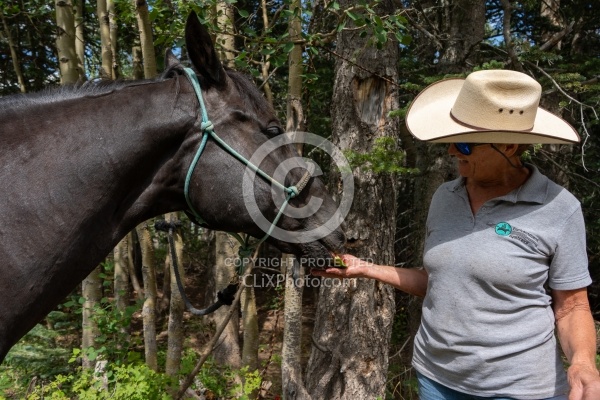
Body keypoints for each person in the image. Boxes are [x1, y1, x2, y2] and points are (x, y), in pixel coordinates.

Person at [313, 69, 600, 400]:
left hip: (519, 388)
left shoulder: (558, 209)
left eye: (464, 143)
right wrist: (365, 268)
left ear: (509, 144)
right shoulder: (445, 197)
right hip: (437, 379)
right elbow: (440, 282)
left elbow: (572, 307)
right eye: (451, 140)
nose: (452, 151)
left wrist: (582, 363)